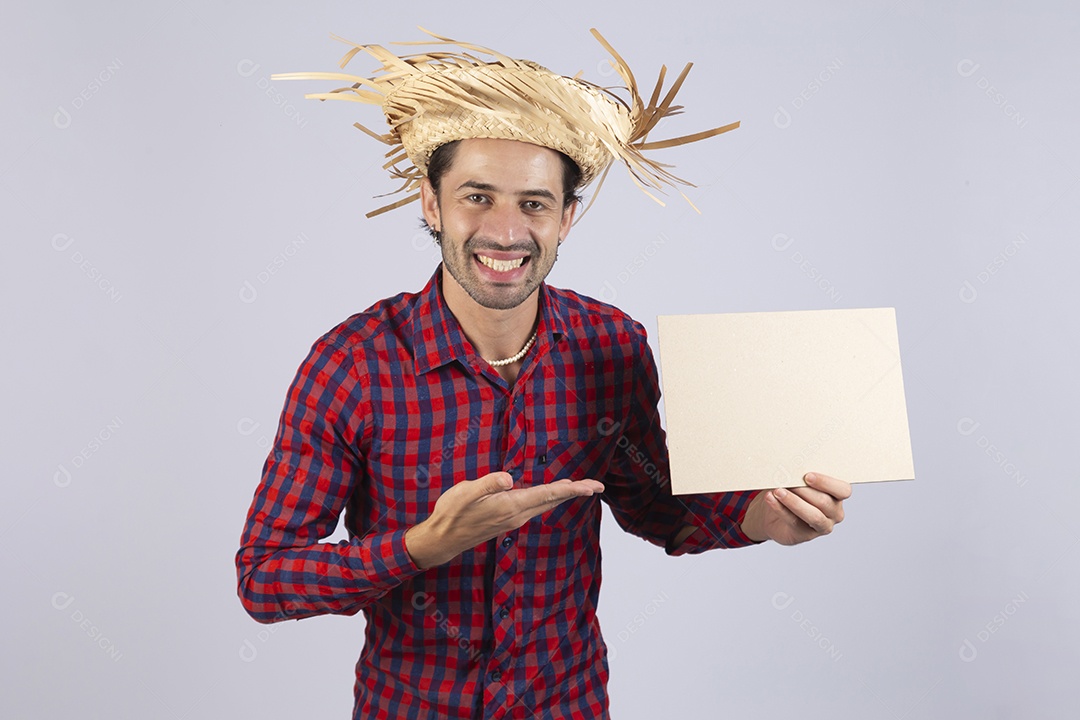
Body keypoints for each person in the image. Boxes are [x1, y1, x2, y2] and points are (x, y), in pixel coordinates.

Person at [235, 28, 851, 719]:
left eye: (533, 203)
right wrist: (420, 547)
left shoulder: (610, 344)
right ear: (432, 204)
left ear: (566, 218)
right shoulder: (352, 365)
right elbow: (264, 579)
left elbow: (656, 507)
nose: (505, 231)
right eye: (476, 197)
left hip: (567, 703)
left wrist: (761, 517)